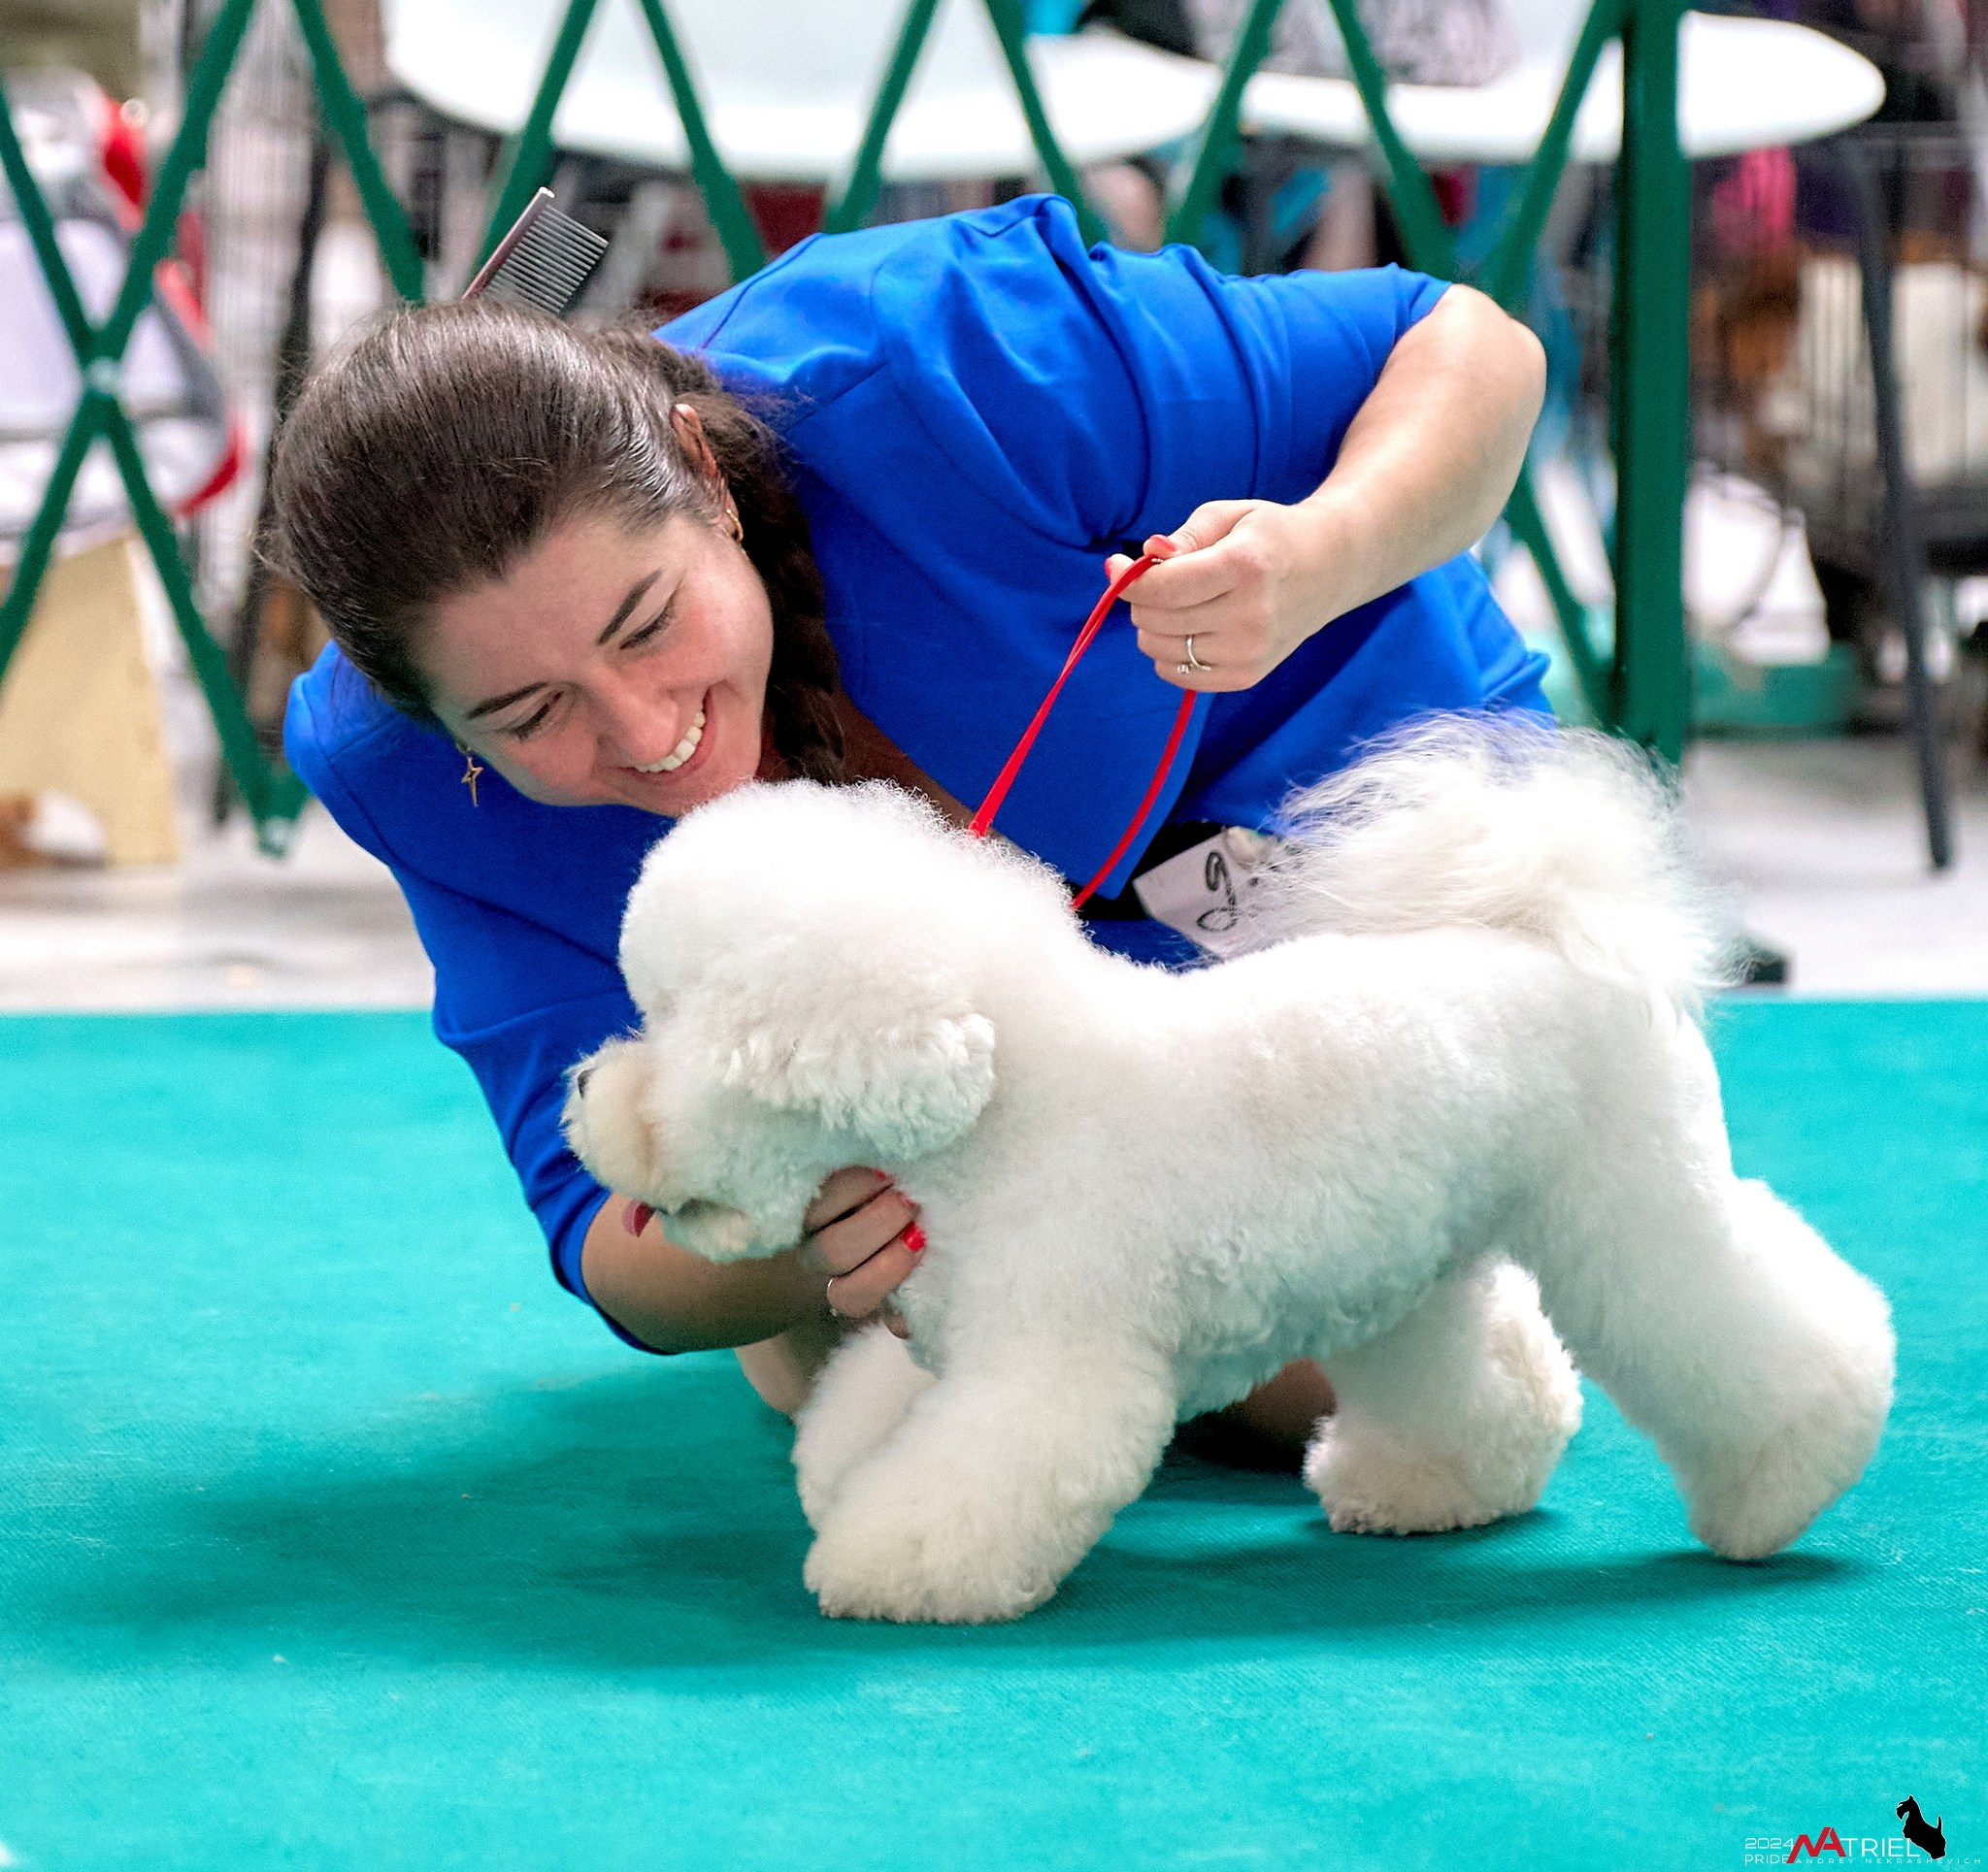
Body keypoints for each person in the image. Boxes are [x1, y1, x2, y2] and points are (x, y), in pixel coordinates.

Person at [274, 193, 1546, 1455]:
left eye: (648, 621)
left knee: (1332, 1365)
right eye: (529, 710)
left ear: (705, 476)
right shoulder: (392, 764)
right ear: (432, 723)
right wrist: (794, 1244)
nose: (644, 726)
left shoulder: (940, 351)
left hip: (1372, 780)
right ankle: (905, 1274)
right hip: (995, 1059)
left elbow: (1471, 344)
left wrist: (1318, 555)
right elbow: (612, 1237)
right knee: (1026, 1296)